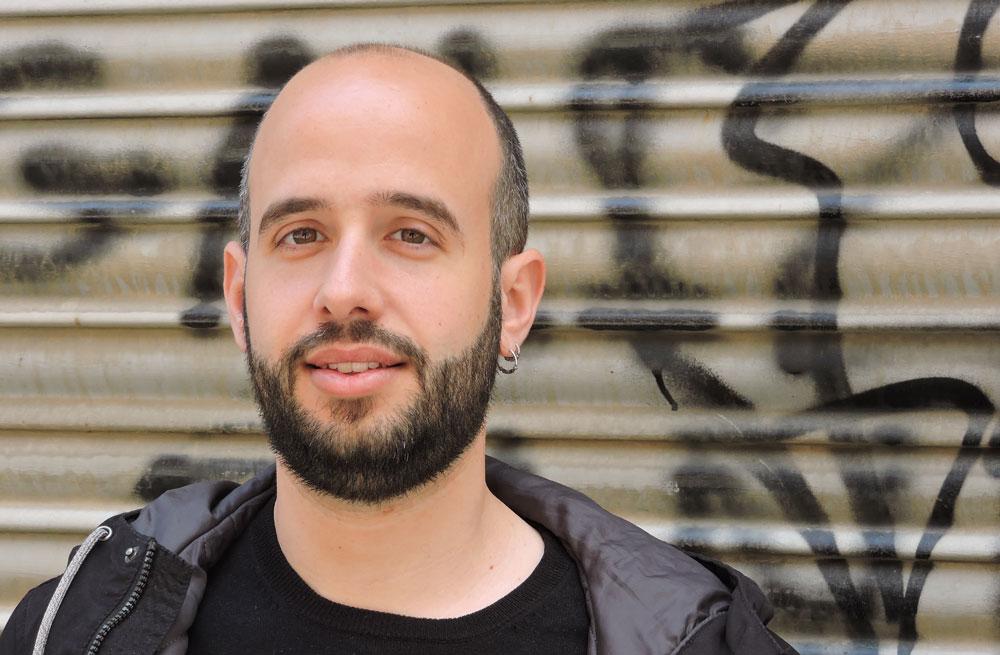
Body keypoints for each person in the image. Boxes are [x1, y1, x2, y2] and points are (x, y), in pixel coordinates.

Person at [0, 43, 796, 655]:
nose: (344, 289)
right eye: (301, 234)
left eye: (411, 234)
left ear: (514, 302)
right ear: (239, 296)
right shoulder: (74, 630)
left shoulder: (701, 643)